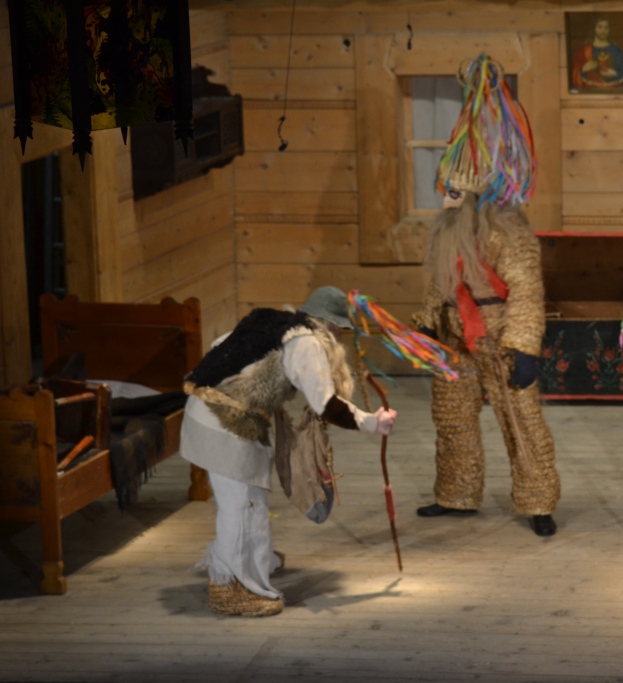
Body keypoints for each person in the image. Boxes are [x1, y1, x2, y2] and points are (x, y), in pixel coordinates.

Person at [181, 286, 397, 617]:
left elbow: (219, 346)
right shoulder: (306, 342)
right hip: (223, 425)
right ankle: (231, 586)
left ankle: (258, 560)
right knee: (242, 507)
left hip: (209, 414)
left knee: (249, 502)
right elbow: (325, 404)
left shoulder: (276, 322)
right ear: (329, 325)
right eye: (339, 330)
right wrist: (373, 422)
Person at [413, 56, 560, 538]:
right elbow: (441, 284)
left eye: (454, 193)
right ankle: (455, 494)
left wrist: (524, 347)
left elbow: (527, 292)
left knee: (521, 421)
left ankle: (538, 501)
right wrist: (425, 324)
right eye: (444, 191)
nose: (445, 200)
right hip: (454, 340)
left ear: (474, 194)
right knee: (452, 419)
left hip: (500, 341)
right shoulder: (447, 232)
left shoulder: (507, 232)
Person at [571, 17, 623, 90]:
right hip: (591, 90)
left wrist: (615, 73)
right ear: (594, 29)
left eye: (606, 28)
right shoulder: (585, 50)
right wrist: (583, 69)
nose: (603, 30)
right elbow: (572, 74)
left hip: (613, 90)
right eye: (600, 27)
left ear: (609, 30)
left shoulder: (615, 50)